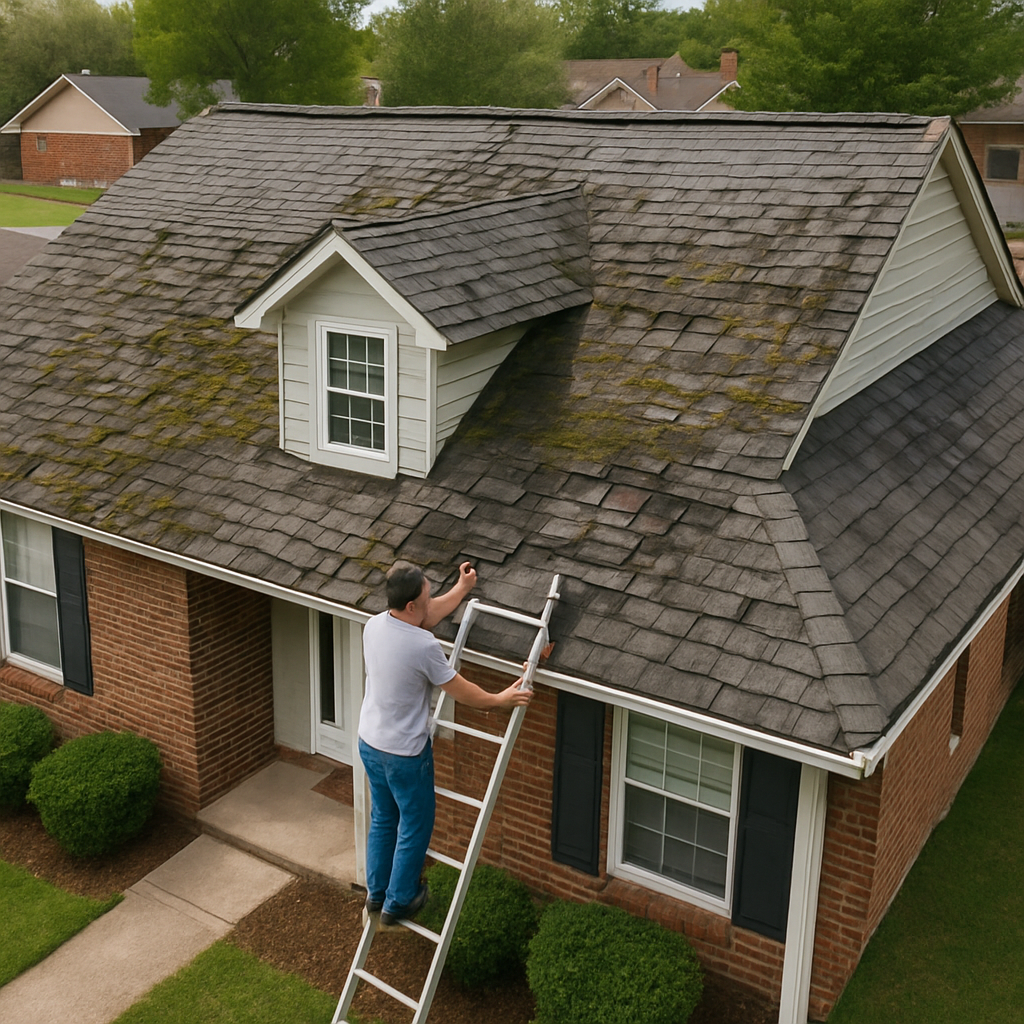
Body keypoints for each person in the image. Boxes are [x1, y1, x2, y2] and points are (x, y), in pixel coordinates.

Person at [358, 560, 533, 925]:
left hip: (370, 742)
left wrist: (462, 588)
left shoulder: (375, 625)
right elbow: (460, 690)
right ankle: (399, 902)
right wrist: (498, 700)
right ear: (411, 606)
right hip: (405, 754)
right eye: (426, 594)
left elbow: (427, 613)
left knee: (384, 817)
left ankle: (377, 895)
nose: (429, 598)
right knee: (415, 822)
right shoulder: (422, 646)